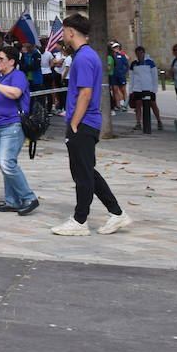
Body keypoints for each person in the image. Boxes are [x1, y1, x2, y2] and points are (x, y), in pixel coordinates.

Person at [51, 13, 130, 236]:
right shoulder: (88, 55)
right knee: (87, 172)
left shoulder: (84, 58)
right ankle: (117, 213)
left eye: (64, 31)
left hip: (83, 122)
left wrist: (74, 122)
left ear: (71, 32)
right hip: (86, 121)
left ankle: (80, 220)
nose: (63, 35)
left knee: (82, 174)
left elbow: (85, 93)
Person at [0, 45, 38, 215]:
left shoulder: (17, 76)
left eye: (1, 59)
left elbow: (15, 93)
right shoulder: (0, 79)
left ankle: (29, 197)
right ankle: (12, 200)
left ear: (12, 61)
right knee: (6, 164)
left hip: (12, 126)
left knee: (7, 164)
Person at [129, 46, 163, 132]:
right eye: (138, 53)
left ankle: (159, 121)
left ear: (144, 53)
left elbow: (154, 76)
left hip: (148, 88)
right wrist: (131, 90)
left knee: (152, 104)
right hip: (137, 88)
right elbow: (131, 77)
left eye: (141, 53)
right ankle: (138, 123)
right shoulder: (134, 64)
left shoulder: (150, 63)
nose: (139, 55)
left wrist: (154, 88)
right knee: (138, 105)